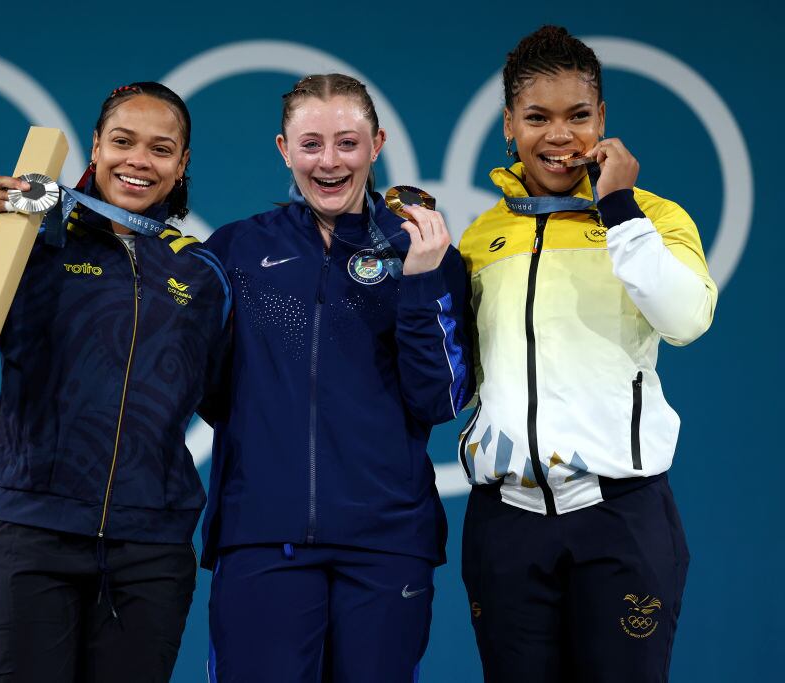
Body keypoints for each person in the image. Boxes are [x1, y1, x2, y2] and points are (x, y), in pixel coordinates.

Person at [0, 81, 231, 682]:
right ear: (96, 146)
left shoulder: (201, 273)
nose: (139, 160)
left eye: (161, 149)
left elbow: (235, 404)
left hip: (149, 550)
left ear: (182, 163)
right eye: (123, 142)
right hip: (31, 535)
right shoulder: (28, 241)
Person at [457, 26, 717, 683]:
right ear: (509, 124)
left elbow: (687, 319)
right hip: (505, 524)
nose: (560, 136)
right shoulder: (480, 237)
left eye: (577, 116)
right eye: (537, 118)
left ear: (601, 118)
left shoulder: (653, 218)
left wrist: (621, 210)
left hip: (621, 518)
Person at [200, 73, 473, 682]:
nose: (330, 162)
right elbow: (205, 385)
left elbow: (439, 398)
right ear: (284, 150)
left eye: (348, 143)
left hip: (385, 544)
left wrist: (420, 281)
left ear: (377, 145)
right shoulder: (237, 250)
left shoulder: (421, 253)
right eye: (311, 144)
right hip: (263, 538)